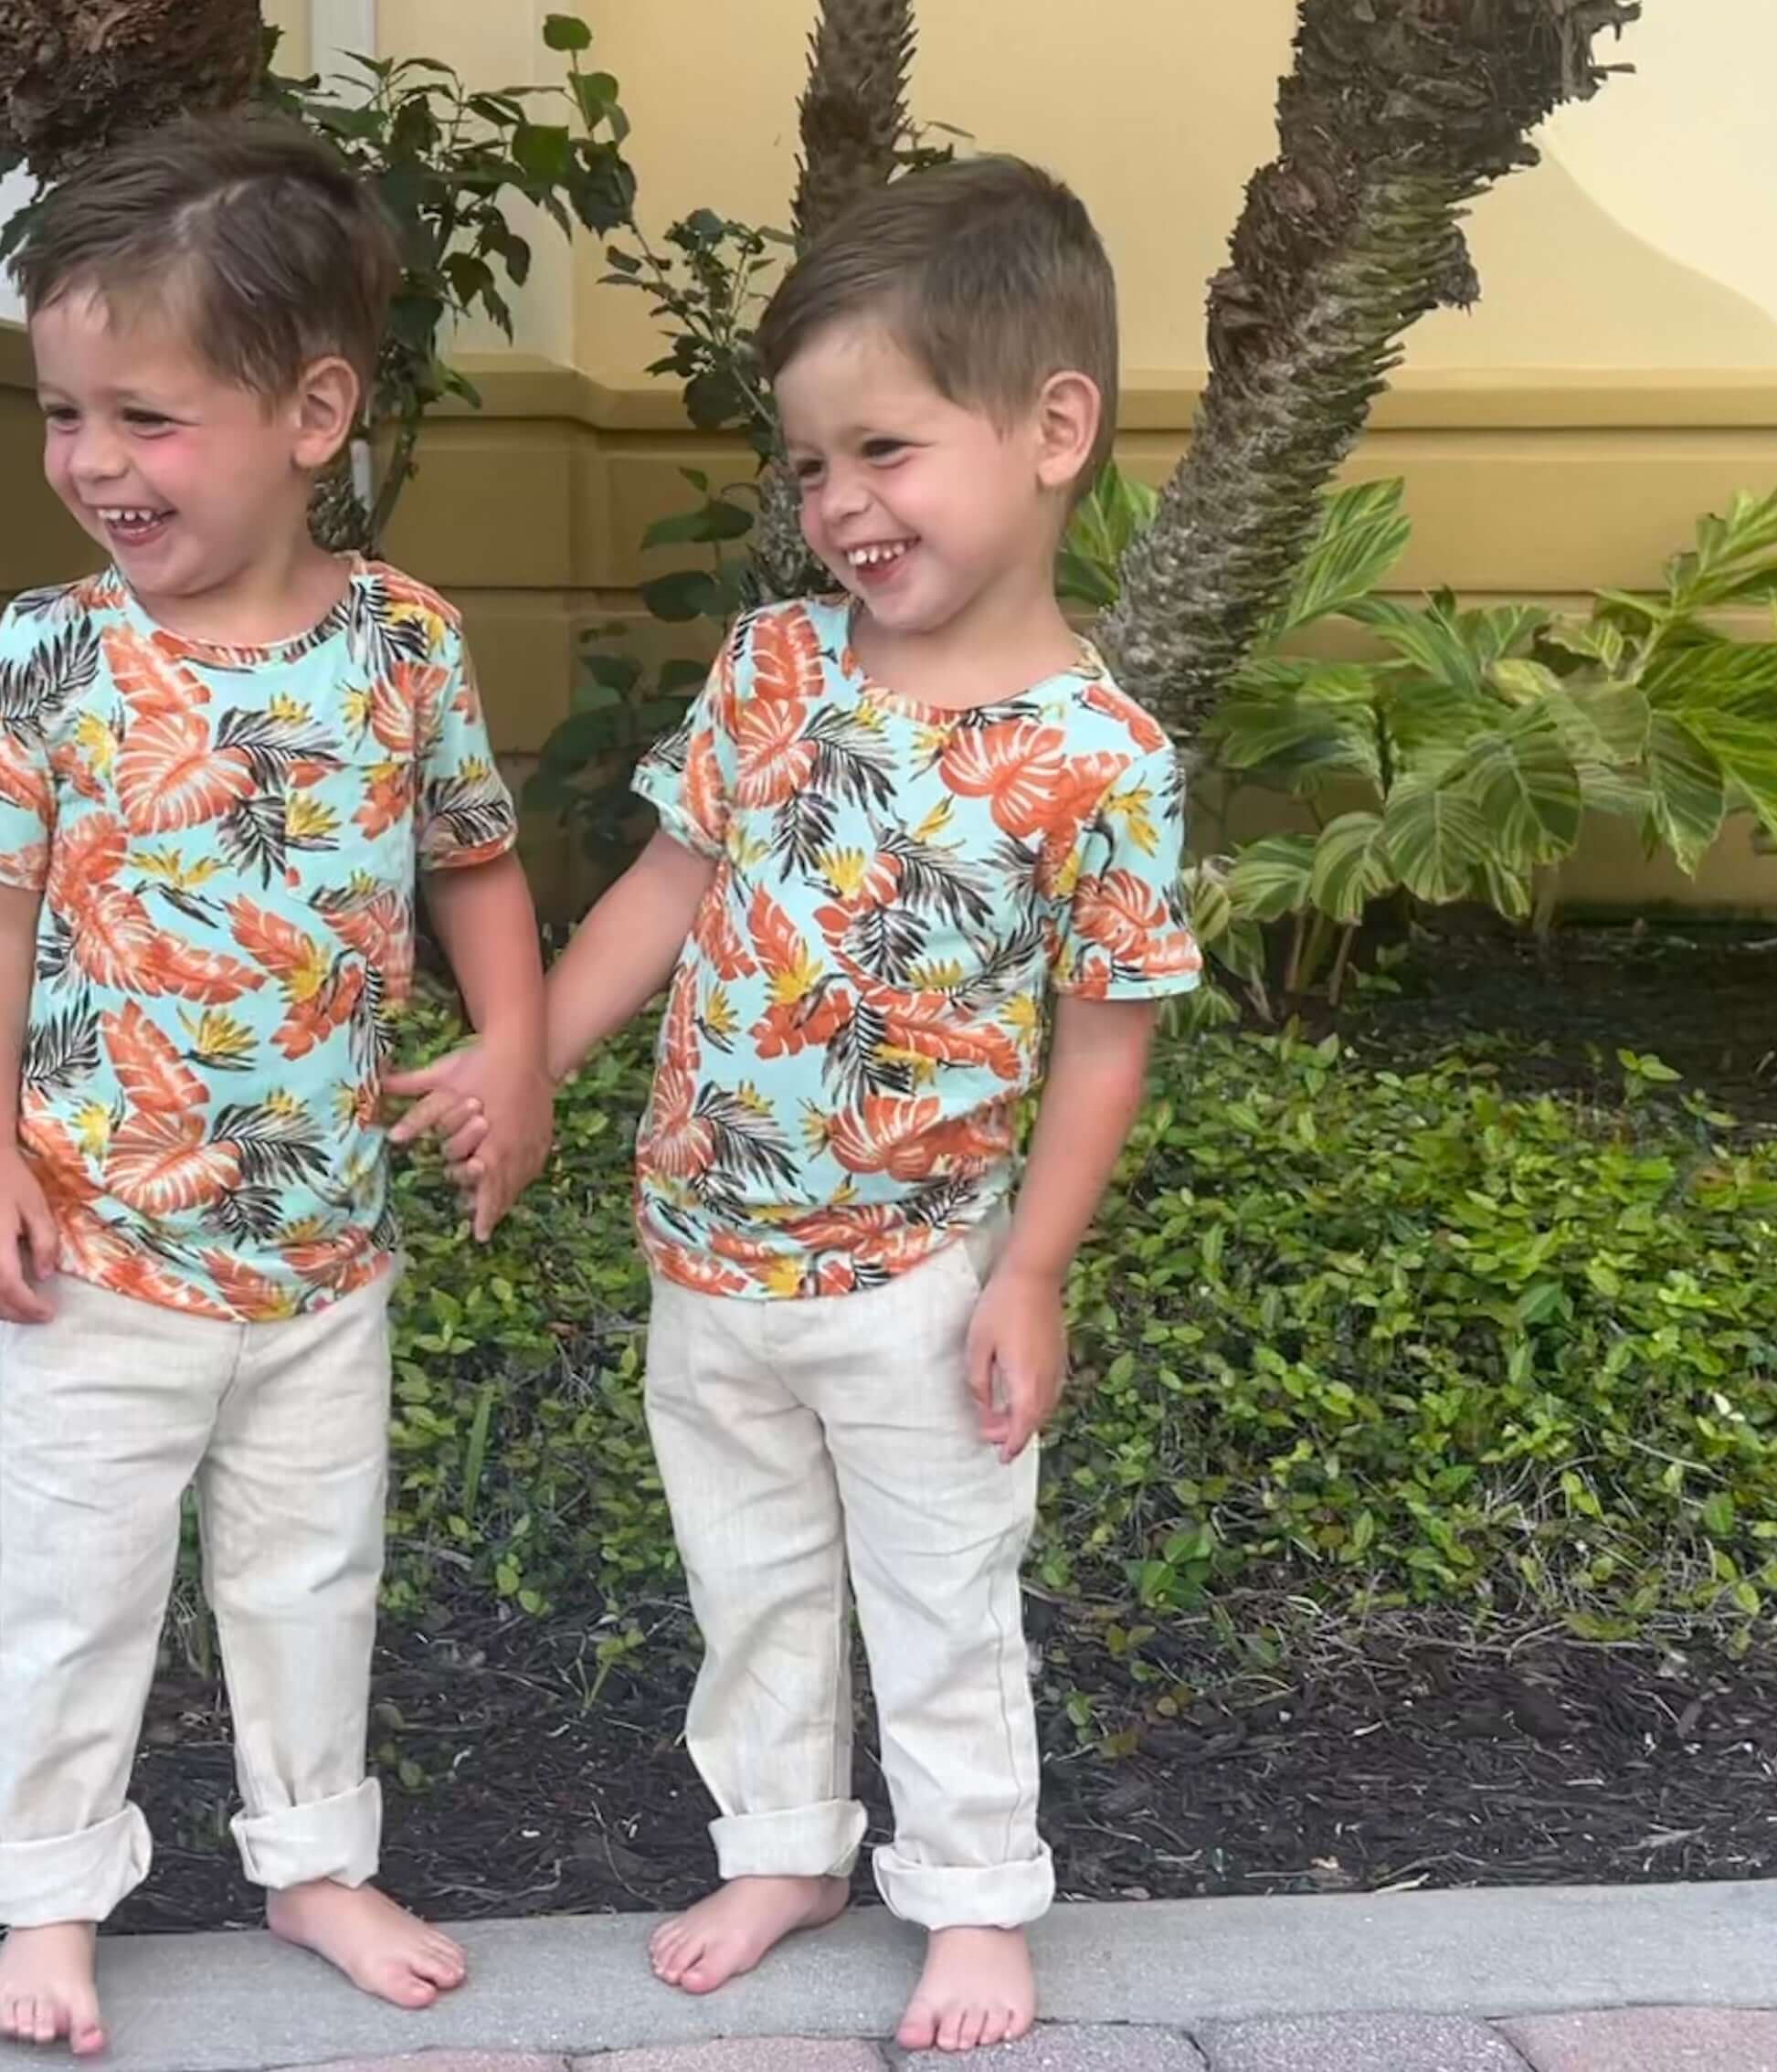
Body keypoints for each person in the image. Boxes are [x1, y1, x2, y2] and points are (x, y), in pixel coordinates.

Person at [404, 153, 1201, 2054]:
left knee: (941, 1602)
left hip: (919, 1275)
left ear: (1056, 429)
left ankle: (977, 1894)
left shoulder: (1101, 759)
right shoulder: (772, 670)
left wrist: (1034, 1272)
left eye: (888, 452)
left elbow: (1107, 1033)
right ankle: (782, 1844)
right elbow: (669, 892)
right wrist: (526, 1051)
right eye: (813, 466)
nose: (841, 504)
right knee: (749, 1584)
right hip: (710, 1259)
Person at [0, 113, 552, 2058]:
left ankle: (310, 1858)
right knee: (63, 1592)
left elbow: (478, 869)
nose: (94, 462)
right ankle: (47, 1891)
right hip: (92, 1249)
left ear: (313, 411)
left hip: (321, 1255)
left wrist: (513, 1050)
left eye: (147, 416)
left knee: (308, 1573)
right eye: (62, 415)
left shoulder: (405, 648)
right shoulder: (50, 660)